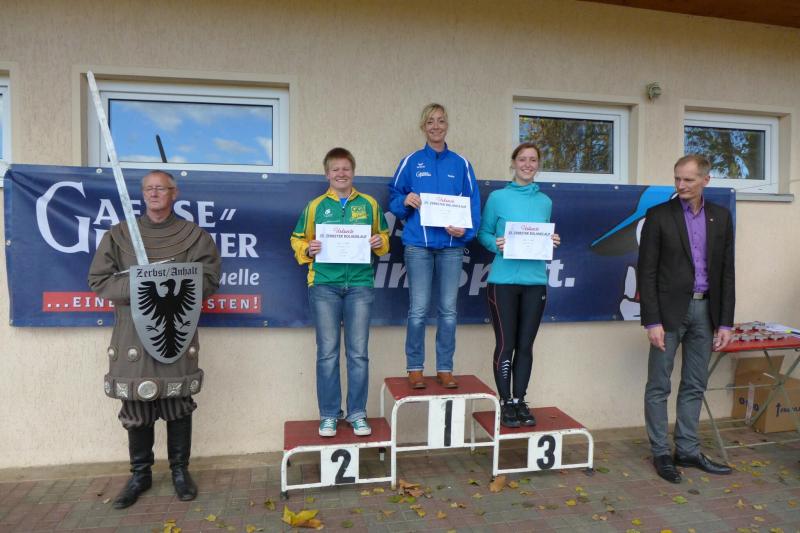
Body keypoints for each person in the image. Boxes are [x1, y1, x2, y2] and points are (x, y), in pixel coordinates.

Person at [88, 170, 221, 508]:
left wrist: (169, 282)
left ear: (174, 193)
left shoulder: (195, 237)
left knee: (178, 403)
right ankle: (140, 475)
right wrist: (142, 284)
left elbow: (208, 280)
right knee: (136, 404)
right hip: (131, 333)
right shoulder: (119, 235)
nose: (154, 193)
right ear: (142, 194)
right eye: (148, 188)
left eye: (161, 188)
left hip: (175, 329)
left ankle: (180, 471)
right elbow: (99, 281)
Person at [638, 154, 735, 483]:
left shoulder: (721, 216)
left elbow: (727, 272)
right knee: (659, 385)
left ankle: (688, 451)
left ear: (706, 180)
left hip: (706, 312)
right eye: (677, 178)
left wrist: (725, 322)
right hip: (668, 315)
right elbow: (647, 272)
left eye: (689, 179)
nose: (681, 185)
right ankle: (661, 453)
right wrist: (652, 321)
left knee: (695, 384)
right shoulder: (658, 215)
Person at [291, 147, 390, 437]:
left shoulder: (369, 204)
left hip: (360, 285)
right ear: (327, 174)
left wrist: (379, 242)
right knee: (327, 354)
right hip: (324, 285)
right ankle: (329, 415)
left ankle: (357, 413)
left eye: (346, 168)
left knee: (358, 354)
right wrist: (307, 249)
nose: (341, 174)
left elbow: (384, 238)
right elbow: (297, 239)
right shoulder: (315, 206)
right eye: (335, 169)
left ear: (353, 172)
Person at [388, 103, 481, 390]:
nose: (436, 126)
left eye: (441, 121)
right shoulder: (411, 162)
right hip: (418, 245)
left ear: (447, 125)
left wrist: (466, 231)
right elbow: (394, 197)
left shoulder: (461, 164)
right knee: (418, 310)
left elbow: (473, 204)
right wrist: (404, 201)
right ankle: (415, 368)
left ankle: (444, 368)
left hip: (452, 246)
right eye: (430, 121)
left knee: (448, 311)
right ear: (423, 127)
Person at [478, 143, 560, 427]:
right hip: (503, 282)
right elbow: (483, 233)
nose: (527, 164)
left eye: (533, 160)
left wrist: (551, 241)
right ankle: (505, 402)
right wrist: (496, 244)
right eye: (522, 159)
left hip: (535, 282)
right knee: (506, 344)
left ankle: (519, 400)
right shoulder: (498, 197)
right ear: (513, 163)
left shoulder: (545, 201)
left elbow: (541, 236)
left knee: (525, 345)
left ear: (538, 165)